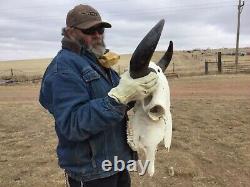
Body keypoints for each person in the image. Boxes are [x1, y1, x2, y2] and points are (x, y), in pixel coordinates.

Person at [39, 4, 158, 187]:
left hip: (116, 162)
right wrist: (118, 97)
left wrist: (139, 93)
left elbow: (120, 101)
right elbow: (72, 124)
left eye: (100, 29)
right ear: (70, 33)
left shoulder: (97, 61)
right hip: (90, 173)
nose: (97, 34)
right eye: (89, 30)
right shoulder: (63, 69)